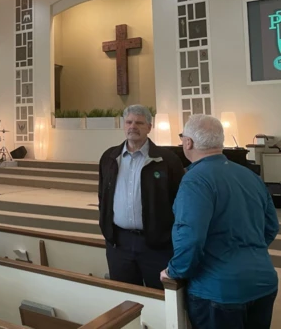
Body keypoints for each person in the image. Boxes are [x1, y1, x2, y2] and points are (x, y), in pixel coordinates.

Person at [161, 115, 278, 329]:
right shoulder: (249, 175)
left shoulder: (195, 179)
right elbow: (271, 226)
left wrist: (173, 271)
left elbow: (191, 238)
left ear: (188, 143)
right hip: (262, 282)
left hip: (218, 291)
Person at [98, 104, 184, 289]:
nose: (132, 126)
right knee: (125, 300)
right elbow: (103, 198)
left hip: (156, 245)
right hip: (119, 244)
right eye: (128, 122)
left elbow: (179, 202)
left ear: (149, 127)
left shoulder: (167, 160)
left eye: (139, 122)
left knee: (160, 297)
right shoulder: (109, 157)